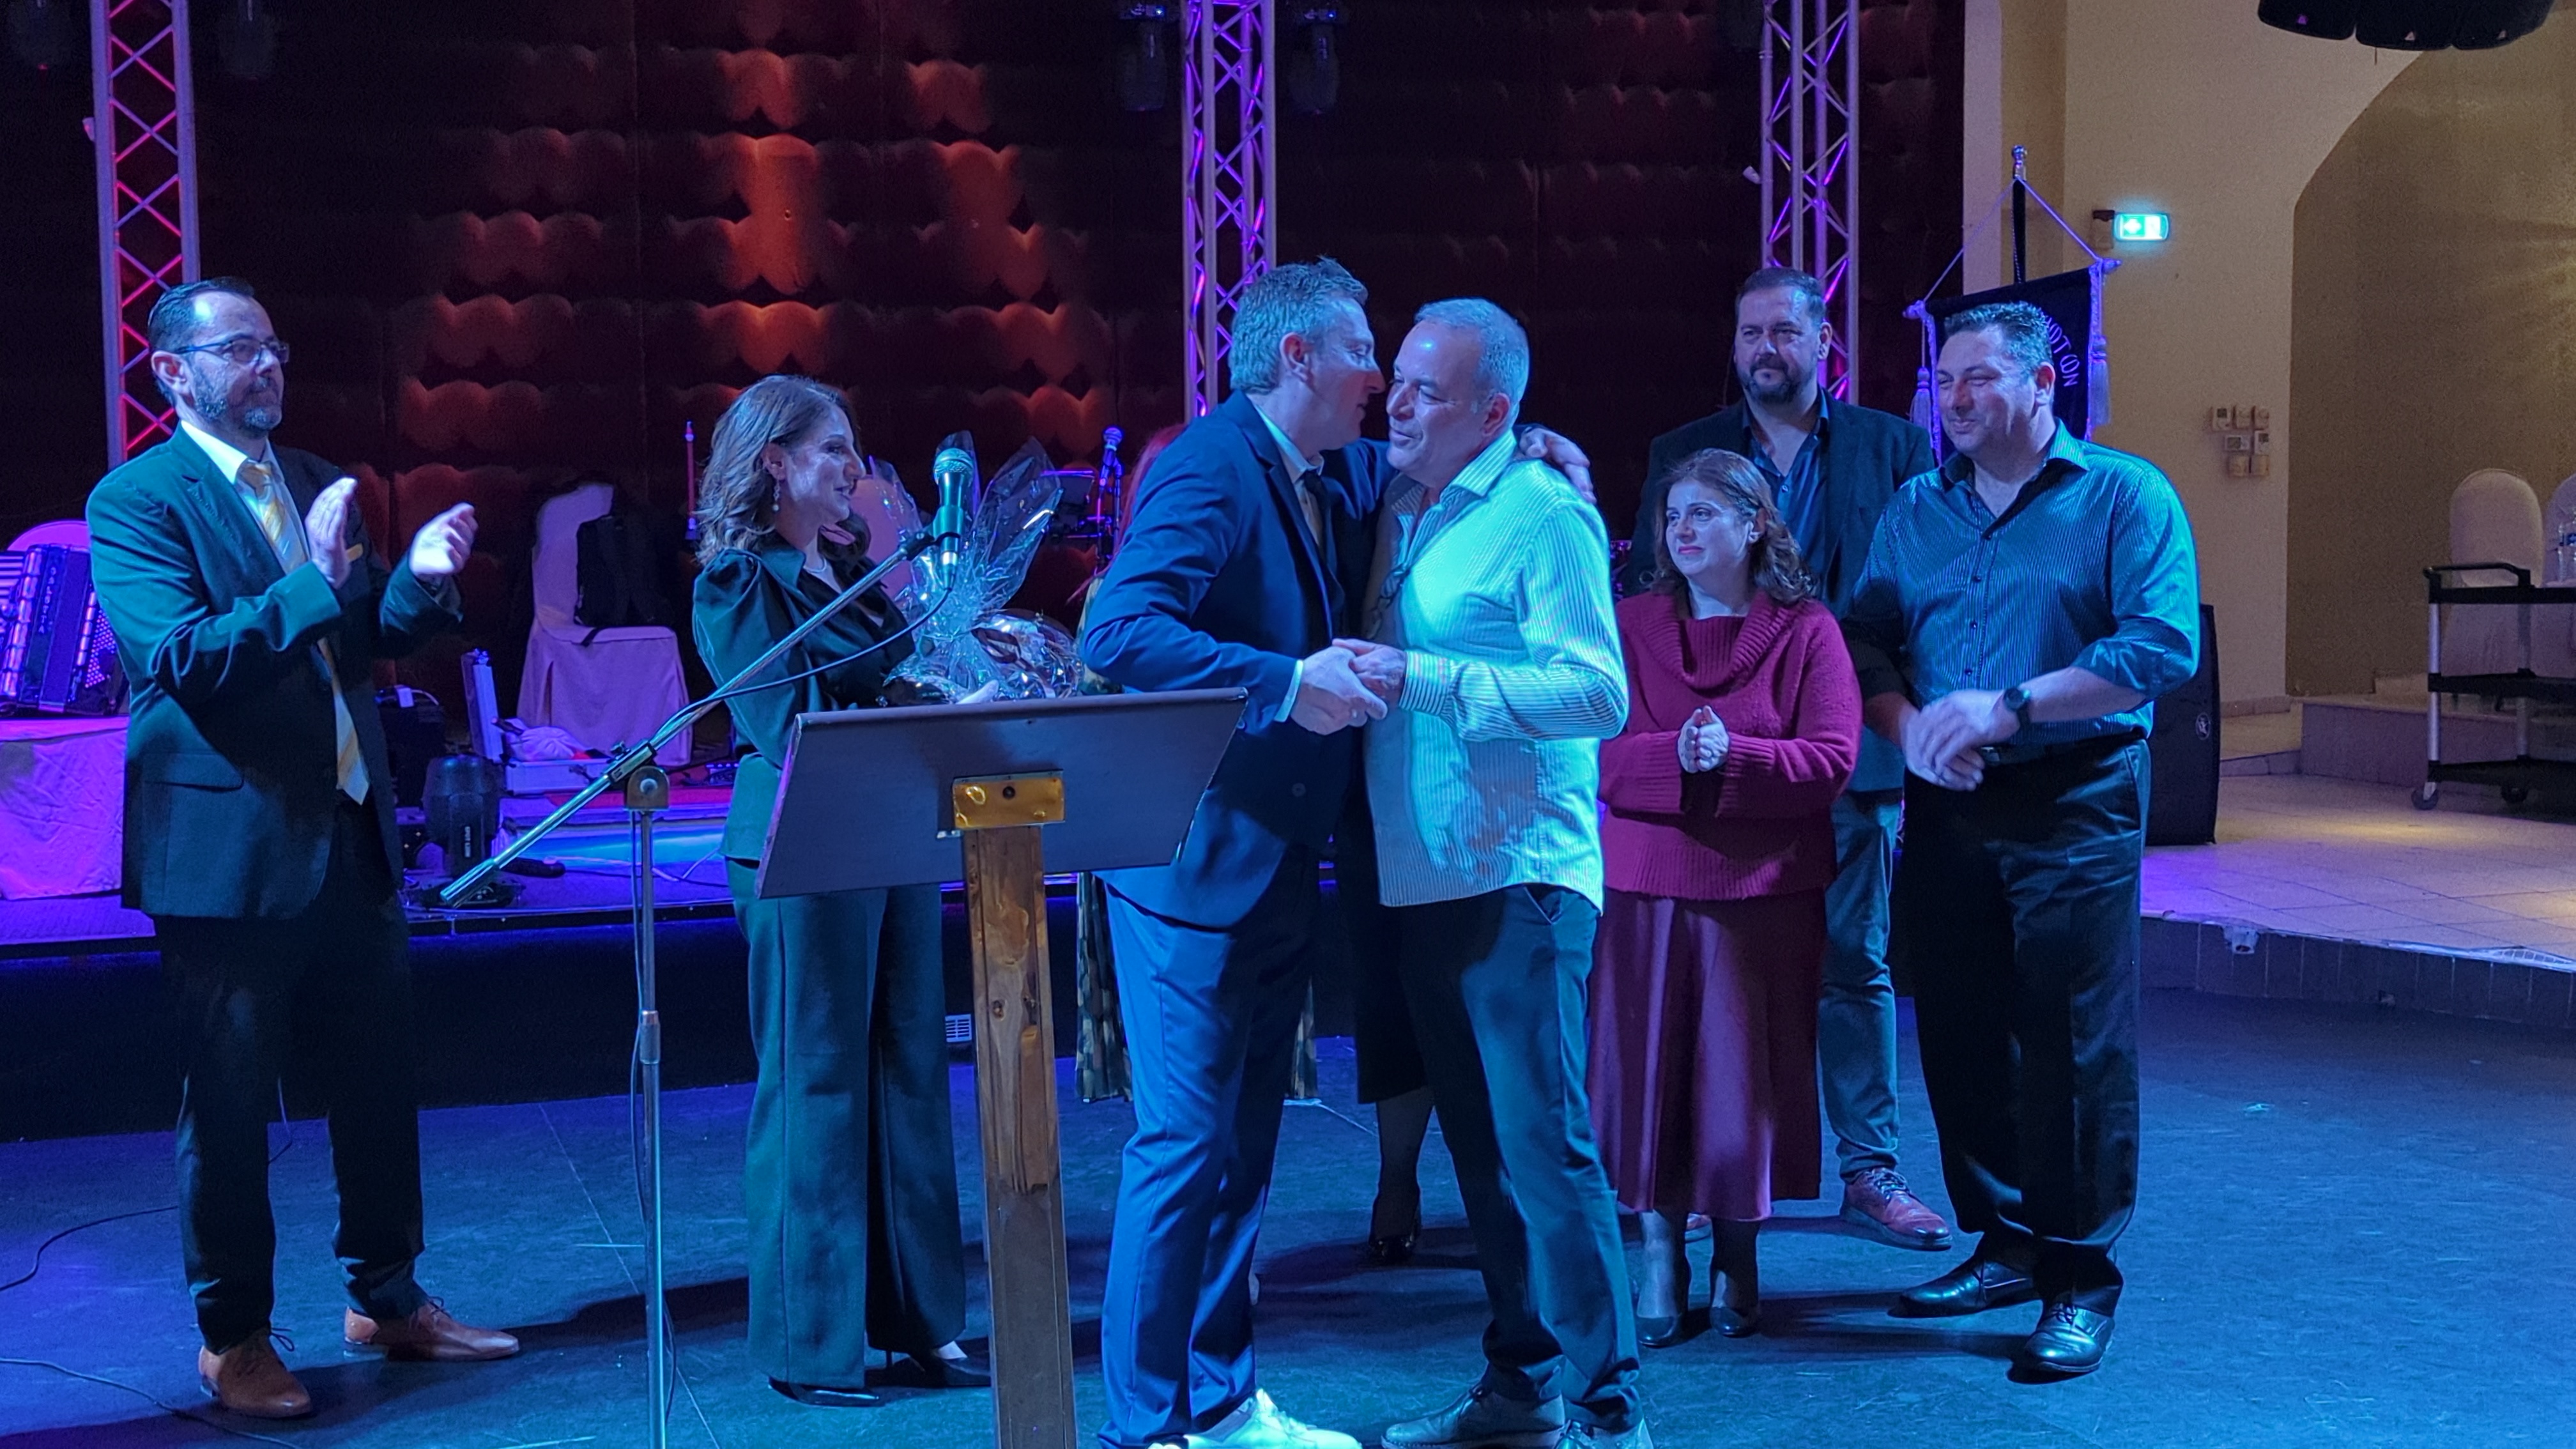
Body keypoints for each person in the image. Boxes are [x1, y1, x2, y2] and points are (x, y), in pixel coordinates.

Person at [86, 277, 512, 1422]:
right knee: (230, 1107)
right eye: (240, 350)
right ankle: (234, 1338)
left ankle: (388, 1298)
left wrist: (419, 586)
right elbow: (184, 659)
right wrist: (316, 582)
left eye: (274, 346)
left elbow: (354, 642)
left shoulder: (316, 479)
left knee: (377, 1086)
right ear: (173, 373)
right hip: (228, 853)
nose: (268, 366)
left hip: (349, 833)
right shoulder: (137, 501)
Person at [1843, 301, 2199, 1378]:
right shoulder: (1917, 506)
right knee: (1961, 1028)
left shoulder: (2125, 495)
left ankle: (2080, 1277)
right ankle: (2004, 1244)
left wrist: (2010, 708)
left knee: (2073, 1040)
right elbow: (1865, 640)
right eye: (1944, 379)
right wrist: (1910, 731)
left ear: (2045, 384)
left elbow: (2159, 646)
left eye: (1979, 378)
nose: (1953, 398)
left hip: (2075, 793)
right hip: (1949, 800)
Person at [1078, 259, 1394, 1449]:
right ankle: (1144, 1426)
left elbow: (1418, 459)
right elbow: (1119, 631)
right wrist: (1283, 682)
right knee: (1183, 1148)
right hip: (1191, 868)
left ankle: (1218, 1403)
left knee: (1244, 1147)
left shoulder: (1318, 468)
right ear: (1296, 356)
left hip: (1273, 860)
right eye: (1361, 350)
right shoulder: (1213, 464)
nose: (1378, 376)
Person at [1337, 300, 1644, 1449]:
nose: (1397, 403)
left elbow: (1600, 693)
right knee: (1483, 1153)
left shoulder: (1543, 512)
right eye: (1398, 380)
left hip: (1520, 878)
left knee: (1545, 1149)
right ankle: (1524, 1385)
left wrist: (1425, 678)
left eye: (1426, 390)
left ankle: (1611, 1409)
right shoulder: (1405, 505)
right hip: (1425, 878)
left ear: (1494, 411)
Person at [1627, 267, 1950, 1253]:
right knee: (1718, 978)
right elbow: (1652, 598)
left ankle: (1870, 1172)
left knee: (1856, 966)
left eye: (1785, 332)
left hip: (1847, 758)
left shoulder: (1894, 448)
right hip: (1715, 768)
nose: (1766, 349)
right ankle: (1708, 1177)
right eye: (1751, 333)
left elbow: (1909, 601)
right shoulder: (1683, 452)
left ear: (1822, 343)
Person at [688, 375, 988, 1406]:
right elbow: (787, 721)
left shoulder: (858, 573)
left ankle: (921, 1322)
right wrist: (907, 704)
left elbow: (899, 680)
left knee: (911, 1075)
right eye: (834, 451)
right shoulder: (739, 584)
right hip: (801, 845)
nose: (854, 470)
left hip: (893, 832)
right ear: (775, 462)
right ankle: (809, 1345)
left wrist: (950, 694)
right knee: (816, 1085)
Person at [1591, 450, 1859, 1347]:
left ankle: (1739, 1252)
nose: (1683, 531)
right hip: (1645, 891)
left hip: (1765, 895)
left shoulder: (1807, 631)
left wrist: (1735, 759)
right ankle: (1657, 1253)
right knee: (1651, 1075)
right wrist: (1672, 758)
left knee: (1744, 1081)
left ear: (1754, 524)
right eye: (1673, 516)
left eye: (1703, 513)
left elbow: (1832, 759)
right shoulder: (1628, 625)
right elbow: (1592, 752)